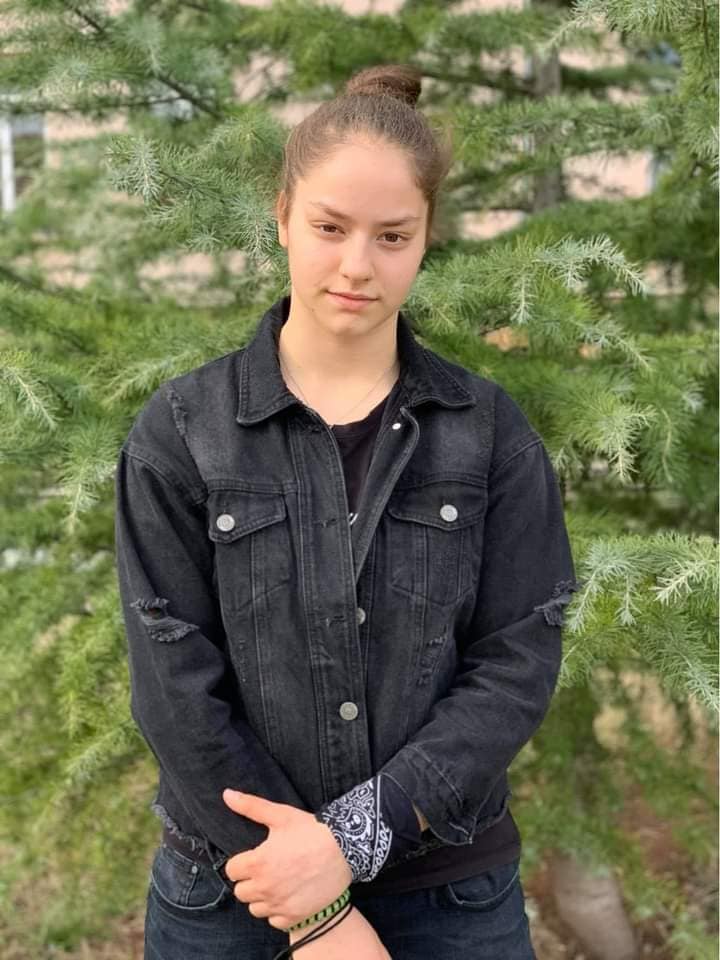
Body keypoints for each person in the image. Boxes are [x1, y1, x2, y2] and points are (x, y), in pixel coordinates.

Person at [114, 63, 579, 960]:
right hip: (232, 895)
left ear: (427, 238)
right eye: (329, 227)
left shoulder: (489, 433)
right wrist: (315, 910)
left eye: (393, 236)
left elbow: (517, 660)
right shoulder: (182, 432)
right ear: (282, 216)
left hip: (449, 894)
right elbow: (171, 684)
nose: (358, 265)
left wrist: (351, 842)